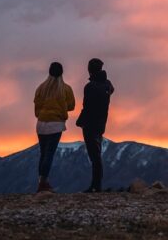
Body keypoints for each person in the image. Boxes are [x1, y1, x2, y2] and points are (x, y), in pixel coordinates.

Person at [33, 61, 75, 193]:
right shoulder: (65, 89)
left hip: (41, 123)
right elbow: (72, 106)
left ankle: (41, 182)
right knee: (49, 154)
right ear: (62, 72)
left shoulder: (41, 88)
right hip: (56, 124)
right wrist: (60, 108)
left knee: (43, 153)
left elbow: (37, 108)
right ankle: (43, 183)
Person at [75, 57, 114, 192]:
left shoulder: (90, 87)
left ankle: (96, 186)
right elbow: (111, 90)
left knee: (94, 156)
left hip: (90, 124)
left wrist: (80, 121)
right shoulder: (107, 84)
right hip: (101, 123)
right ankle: (96, 185)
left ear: (90, 70)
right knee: (97, 154)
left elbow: (87, 107)